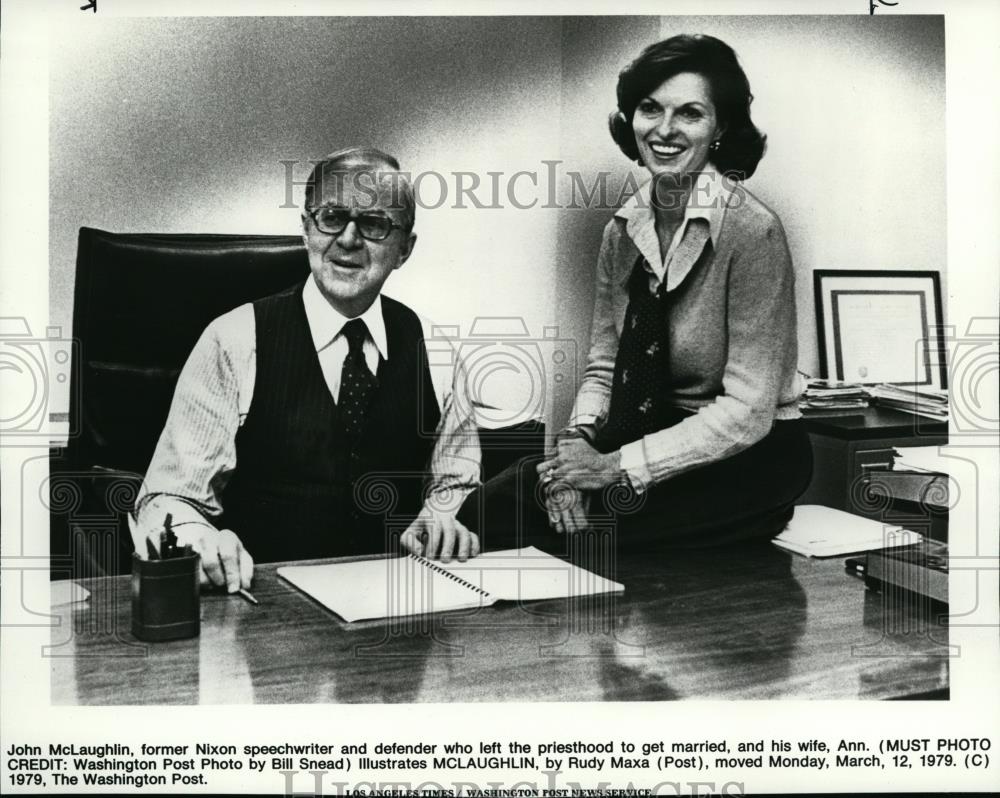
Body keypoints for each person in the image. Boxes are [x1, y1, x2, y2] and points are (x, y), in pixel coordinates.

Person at [459, 34, 812, 549]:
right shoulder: (621, 231)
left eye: (690, 114)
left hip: (748, 457)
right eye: (650, 109)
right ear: (632, 119)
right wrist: (574, 455)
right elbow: (605, 368)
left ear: (721, 127)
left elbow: (747, 411)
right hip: (644, 435)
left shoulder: (752, 231)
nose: (664, 131)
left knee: (582, 530)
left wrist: (612, 469)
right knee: (504, 498)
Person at [133, 147, 482, 593]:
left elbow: (456, 482)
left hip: (393, 616)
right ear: (305, 230)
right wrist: (196, 536)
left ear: (404, 249)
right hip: (263, 618)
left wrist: (442, 514)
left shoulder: (439, 351)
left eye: (374, 224)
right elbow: (167, 499)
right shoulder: (234, 339)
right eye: (332, 217)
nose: (349, 239)